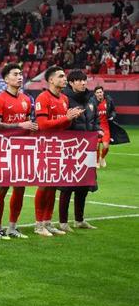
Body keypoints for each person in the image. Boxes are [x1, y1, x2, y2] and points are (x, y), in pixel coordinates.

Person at [33, 66, 84, 237]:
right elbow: (42, 125)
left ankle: (48, 222)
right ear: (51, 80)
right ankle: (38, 224)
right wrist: (66, 118)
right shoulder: (43, 97)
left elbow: (64, 125)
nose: (64, 79)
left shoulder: (64, 98)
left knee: (53, 185)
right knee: (44, 185)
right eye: (61, 76)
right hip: (45, 146)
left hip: (59, 146)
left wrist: (70, 118)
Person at [0, 63, 38, 240]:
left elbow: (27, 123)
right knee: (2, 188)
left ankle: (12, 227)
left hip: (21, 149)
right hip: (3, 149)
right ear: (6, 79)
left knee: (20, 188)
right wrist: (19, 125)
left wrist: (31, 128)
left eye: (20, 74)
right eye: (15, 74)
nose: (19, 77)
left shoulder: (26, 99)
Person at [59, 70, 102, 231]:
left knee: (84, 184)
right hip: (70, 147)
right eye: (79, 80)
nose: (83, 83)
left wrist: (97, 129)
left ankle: (79, 220)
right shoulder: (64, 99)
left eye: (85, 80)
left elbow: (95, 119)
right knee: (67, 186)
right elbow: (61, 122)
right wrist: (70, 119)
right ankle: (63, 222)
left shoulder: (91, 98)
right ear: (71, 83)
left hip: (88, 147)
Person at [94, 86, 115, 168]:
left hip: (105, 127)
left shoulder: (108, 100)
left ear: (103, 92)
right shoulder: (92, 102)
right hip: (96, 127)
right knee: (96, 146)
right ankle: (97, 161)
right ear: (95, 94)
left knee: (106, 146)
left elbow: (113, 110)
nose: (99, 94)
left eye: (100, 92)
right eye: (97, 92)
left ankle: (102, 158)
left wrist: (112, 116)